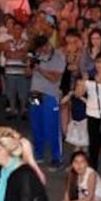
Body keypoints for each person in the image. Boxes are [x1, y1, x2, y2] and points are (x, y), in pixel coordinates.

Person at [27, 35, 66, 170]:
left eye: (46, 45)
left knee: (52, 127)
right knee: (36, 124)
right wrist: (30, 65)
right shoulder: (36, 55)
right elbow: (27, 74)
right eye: (41, 47)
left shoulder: (58, 56)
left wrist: (40, 69)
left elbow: (55, 78)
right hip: (35, 94)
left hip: (50, 95)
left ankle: (57, 157)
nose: (44, 49)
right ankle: (39, 153)